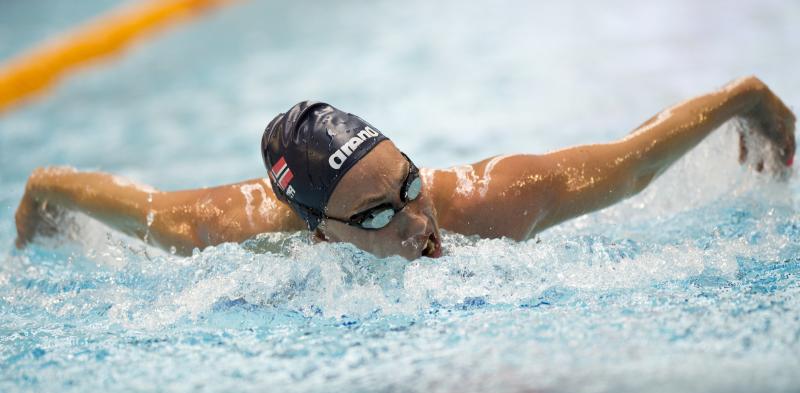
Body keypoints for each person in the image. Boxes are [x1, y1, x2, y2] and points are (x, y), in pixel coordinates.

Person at [13, 76, 796, 260]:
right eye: (382, 217)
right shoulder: (220, 231)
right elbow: (103, 194)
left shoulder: (487, 203)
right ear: (318, 234)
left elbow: (630, 168)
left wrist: (743, 100)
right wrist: (42, 196)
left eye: (409, 184)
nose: (422, 226)